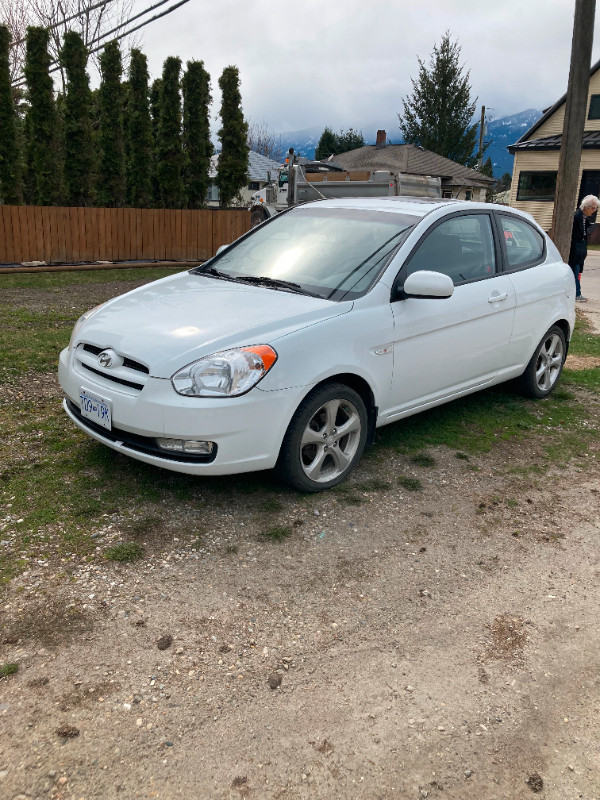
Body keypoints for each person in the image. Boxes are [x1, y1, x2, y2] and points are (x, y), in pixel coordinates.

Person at [568, 194, 599, 302]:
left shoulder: (585, 218)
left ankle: (576, 293)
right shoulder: (577, 217)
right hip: (575, 251)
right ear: (586, 206)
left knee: (577, 271)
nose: (594, 210)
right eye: (593, 208)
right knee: (574, 271)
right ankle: (577, 294)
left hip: (580, 250)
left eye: (596, 208)